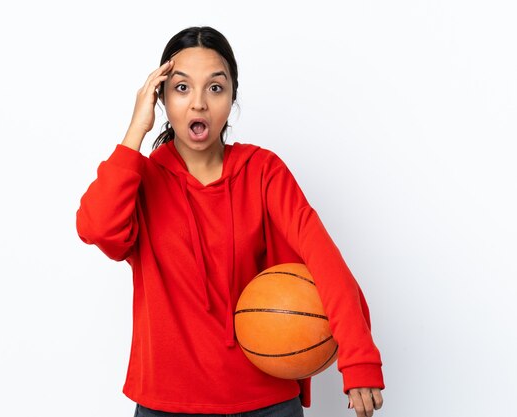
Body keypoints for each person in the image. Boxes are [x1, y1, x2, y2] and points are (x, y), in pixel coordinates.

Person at [76, 26, 385, 417]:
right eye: (182, 88)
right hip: (166, 403)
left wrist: (358, 359)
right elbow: (97, 228)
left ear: (232, 96)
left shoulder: (264, 171)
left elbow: (323, 259)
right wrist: (136, 129)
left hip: (267, 402)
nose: (199, 103)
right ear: (162, 99)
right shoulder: (142, 178)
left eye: (216, 88)